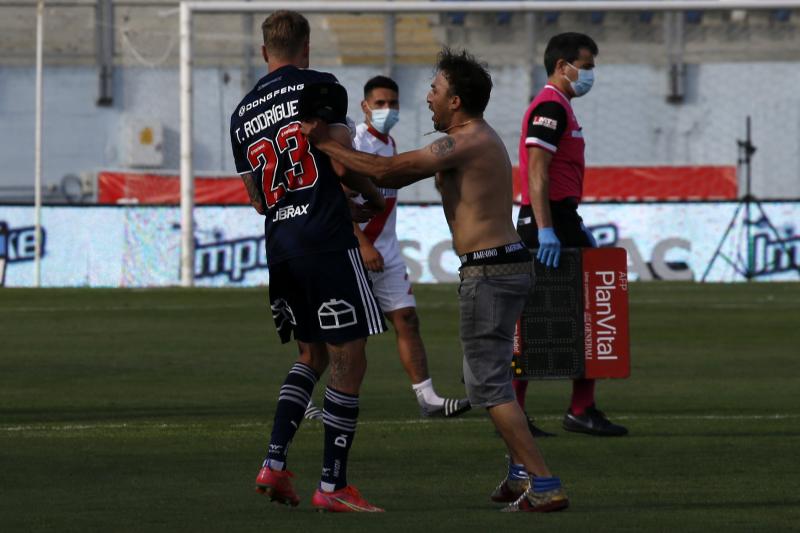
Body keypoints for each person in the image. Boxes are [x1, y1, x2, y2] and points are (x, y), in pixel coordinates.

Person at [302, 48, 568, 513]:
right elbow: (389, 182)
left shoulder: (464, 141)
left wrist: (325, 144)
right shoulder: (470, 139)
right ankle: (519, 471)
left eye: (435, 90)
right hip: (500, 266)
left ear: (457, 102)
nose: (427, 99)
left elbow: (388, 170)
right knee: (487, 379)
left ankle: (543, 483)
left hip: (490, 270)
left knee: (486, 386)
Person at [229, 10, 386, 513]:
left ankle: (273, 464)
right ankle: (333, 485)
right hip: (325, 239)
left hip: (283, 247)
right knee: (349, 359)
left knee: (310, 356)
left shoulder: (241, 113)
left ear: (263, 53)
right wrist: (373, 195)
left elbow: (257, 198)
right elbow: (340, 159)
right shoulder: (320, 87)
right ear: (306, 47)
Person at [514, 32, 628, 440]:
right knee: (542, 318)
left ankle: (576, 408)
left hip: (561, 219)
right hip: (552, 222)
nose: (591, 74)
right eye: (587, 65)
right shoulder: (550, 106)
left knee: (580, 312)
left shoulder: (559, 107)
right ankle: (564, 410)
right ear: (563, 66)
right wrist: (545, 229)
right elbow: (537, 171)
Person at [352, 75, 470, 418]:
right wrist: (361, 245)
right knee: (344, 334)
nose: (387, 110)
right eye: (379, 104)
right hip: (355, 250)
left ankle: (427, 398)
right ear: (364, 107)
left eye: (393, 104)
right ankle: (314, 399)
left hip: (386, 250)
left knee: (407, 318)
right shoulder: (356, 144)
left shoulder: (389, 145)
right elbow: (338, 201)